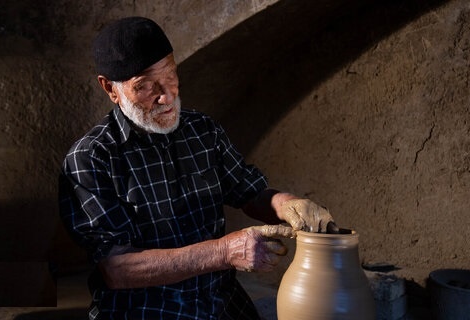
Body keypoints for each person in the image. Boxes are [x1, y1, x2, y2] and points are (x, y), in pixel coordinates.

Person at [59, 16, 339, 320]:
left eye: (170, 75)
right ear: (110, 89)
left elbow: (251, 193)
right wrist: (223, 252)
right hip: (145, 309)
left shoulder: (203, 130)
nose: (166, 96)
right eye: (144, 86)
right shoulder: (90, 158)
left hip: (220, 302)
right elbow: (117, 268)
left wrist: (288, 204)